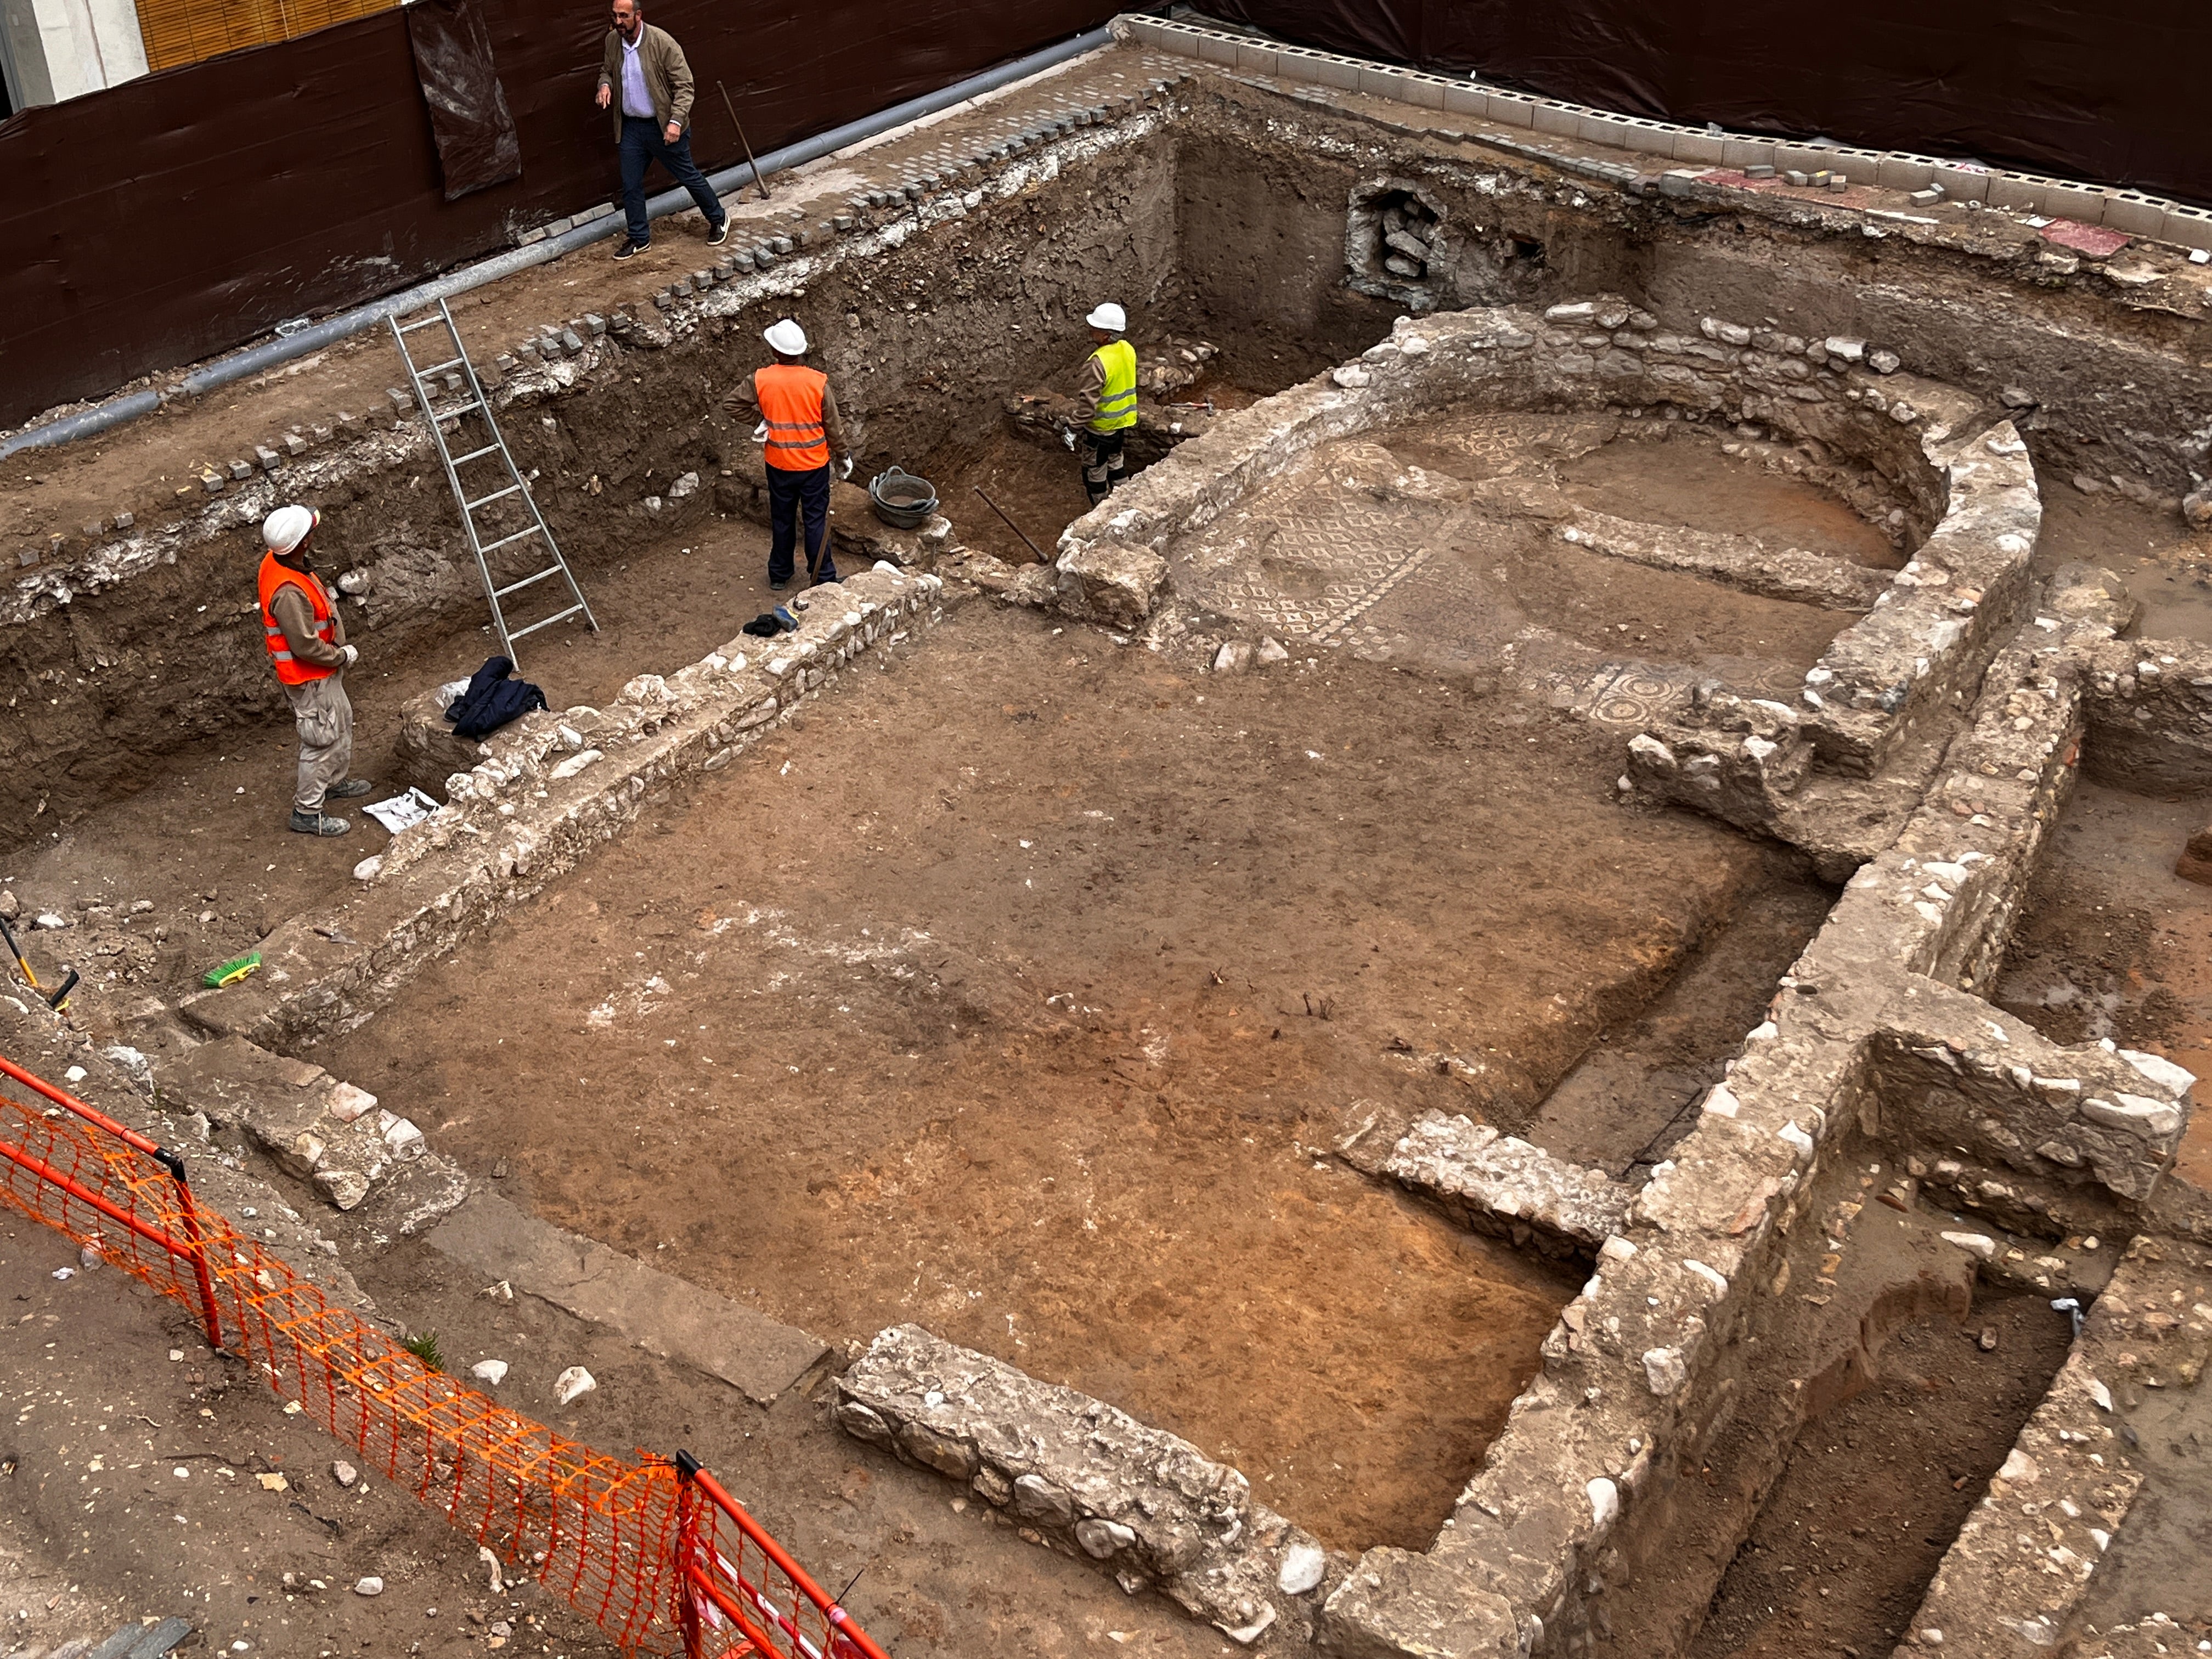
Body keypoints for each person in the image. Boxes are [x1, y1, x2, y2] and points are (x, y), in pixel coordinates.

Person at [257, 506, 372, 837]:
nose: (314, 535)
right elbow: (304, 646)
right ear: (302, 543)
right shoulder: (289, 593)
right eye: (310, 532)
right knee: (322, 741)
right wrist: (340, 656)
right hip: (310, 677)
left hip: (320, 676)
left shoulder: (278, 559)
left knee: (341, 721)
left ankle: (333, 783)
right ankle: (307, 813)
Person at [722, 319, 855, 590]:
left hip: (779, 464)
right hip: (814, 466)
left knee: (782, 519)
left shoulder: (760, 379)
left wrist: (759, 420)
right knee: (815, 521)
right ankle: (823, 577)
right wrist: (843, 455)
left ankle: (780, 574)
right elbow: (833, 426)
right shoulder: (817, 382)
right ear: (801, 352)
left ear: (775, 351)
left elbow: (732, 404)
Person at [595, 0, 729, 261]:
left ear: (638, 15)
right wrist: (605, 85)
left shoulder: (662, 43)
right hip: (631, 127)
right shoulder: (613, 41)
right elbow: (606, 70)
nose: (618, 21)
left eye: (624, 16)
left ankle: (718, 218)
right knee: (631, 185)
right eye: (615, 15)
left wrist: (676, 121)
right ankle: (639, 238)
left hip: (663, 126)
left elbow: (685, 86)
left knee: (688, 175)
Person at [1075, 301, 1138, 508]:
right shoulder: (1127, 349)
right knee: (1115, 463)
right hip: (1121, 423)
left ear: (1106, 335)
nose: (1091, 330)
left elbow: (1087, 406)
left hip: (1099, 430)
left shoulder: (1098, 362)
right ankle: (1126, 504)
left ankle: (1102, 511)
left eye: (1095, 328)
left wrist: (1072, 426)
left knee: (1095, 472)